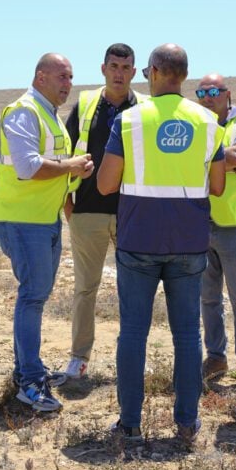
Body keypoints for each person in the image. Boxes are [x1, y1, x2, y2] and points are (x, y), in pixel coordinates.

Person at [97, 43, 226, 443]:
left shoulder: (130, 120)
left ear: (151, 72)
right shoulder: (208, 122)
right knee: (188, 335)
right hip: (189, 242)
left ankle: (130, 423)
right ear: (184, 76)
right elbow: (218, 186)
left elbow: (105, 185)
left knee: (133, 333)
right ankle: (187, 422)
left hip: (139, 241)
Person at [0, 53, 94, 412]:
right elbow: (27, 167)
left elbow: (53, 167)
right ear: (40, 77)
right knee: (32, 298)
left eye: (71, 78)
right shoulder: (23, 111)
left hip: (43, 219)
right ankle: (30, 383)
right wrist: (71, 166)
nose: (68, 84)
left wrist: (72, 173)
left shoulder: (48, 112)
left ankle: (27, 371)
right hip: (22, 221)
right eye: (62, 77)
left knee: (35, 296)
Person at [62, 43, 145, 380]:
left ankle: (133, 357)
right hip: (88, 214)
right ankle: (79, 358)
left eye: (125, 68)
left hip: (132, 215)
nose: (119, 73)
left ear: (135, 72)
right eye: (114, 66)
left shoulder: (144, 108)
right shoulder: (84, 104)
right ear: (103, 69)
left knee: (135, 289)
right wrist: (70, 207)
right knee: (85, 288)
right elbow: (65, 156)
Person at [195, 73, 236, 388]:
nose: (208, 97)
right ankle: (216, 356)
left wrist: (205, 162)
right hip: (201, 223)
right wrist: (226, 164)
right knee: (208, 298)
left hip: (235, 224)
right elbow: (230, 161)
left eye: (214, 91)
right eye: (202, 92)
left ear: (228, 94)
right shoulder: (198, 124)